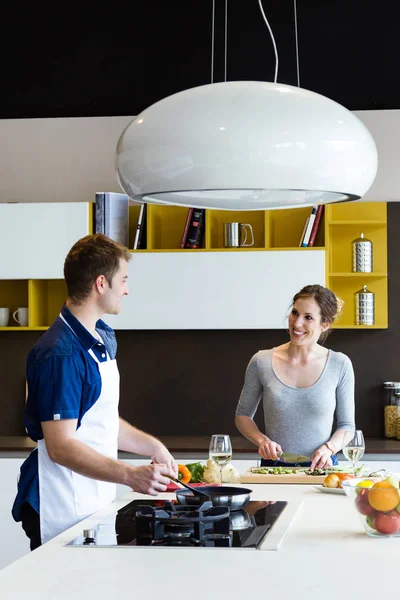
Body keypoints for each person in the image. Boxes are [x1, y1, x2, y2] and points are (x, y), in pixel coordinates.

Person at [12, 234, 178, 550]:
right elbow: (61, 446)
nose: (127, 289)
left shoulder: (100, 337)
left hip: (94, 499)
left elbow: (99, 420)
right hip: (63, 504)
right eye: (124, 280)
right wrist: (130, 475)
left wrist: (152, 445)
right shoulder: (59, 354)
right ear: (101, 283)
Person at [235, 284, 355, 471]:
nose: (297, 323)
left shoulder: (340, 364)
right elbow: (242, 416)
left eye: (308, 317)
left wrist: (329, 448)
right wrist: (262, 441)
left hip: (323, 468)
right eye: (295, 313)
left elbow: (347, 426)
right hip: (274, 468)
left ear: (324, 324)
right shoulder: (261, 361)